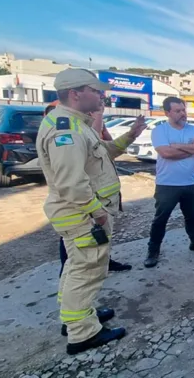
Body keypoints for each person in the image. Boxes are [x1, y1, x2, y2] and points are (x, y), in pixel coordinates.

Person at [38, 68, 147, 354]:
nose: (101, 95)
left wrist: (130, 136)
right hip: (83, 216)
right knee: (87, 271)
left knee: (77, 267)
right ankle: (82, 333)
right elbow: (71, 183)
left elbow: (103, 154)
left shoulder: (78, 124)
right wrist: (97, 213)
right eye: (95, 90)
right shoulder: (67, 130)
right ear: (75, 94)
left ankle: (75, 318)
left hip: (81, 215)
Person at [46, 103, 132, 275]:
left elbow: (107, 144)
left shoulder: (85, 127)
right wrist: (97, 212)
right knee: (78, 258)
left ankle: (103, 262)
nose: (99, 109)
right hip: (81, 202)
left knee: (98, 243)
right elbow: (71, 181)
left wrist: (132, 133)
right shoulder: (65, 127)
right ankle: (69, 272)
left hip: (98, 193)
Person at [144, 97, 194, 268]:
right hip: (167, 184)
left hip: (190, 183)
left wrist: (177, 146)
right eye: (178, 111)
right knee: (161, 219)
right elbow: (166, 153)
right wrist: (191, 149)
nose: (183, 113)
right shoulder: (160, 131)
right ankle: (153, 251)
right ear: (167, 113)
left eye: (183, 110)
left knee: (191, 216)